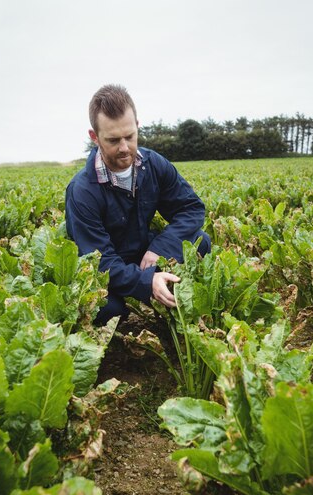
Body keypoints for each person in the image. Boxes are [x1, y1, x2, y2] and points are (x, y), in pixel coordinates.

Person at [65, 84, 210, 324]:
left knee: (200, 241)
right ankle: (146, 295)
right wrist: (146, 281)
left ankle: (167, 299)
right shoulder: (82, 191)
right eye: (113, 140)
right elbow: (98, 261)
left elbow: (191, 209)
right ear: (94, 137)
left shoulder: (154, 164)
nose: (124, 148)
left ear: (137, 126)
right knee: (106, 308)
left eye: (130, 137)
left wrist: (161, 249)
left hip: (145, 253)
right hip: (112, 267)